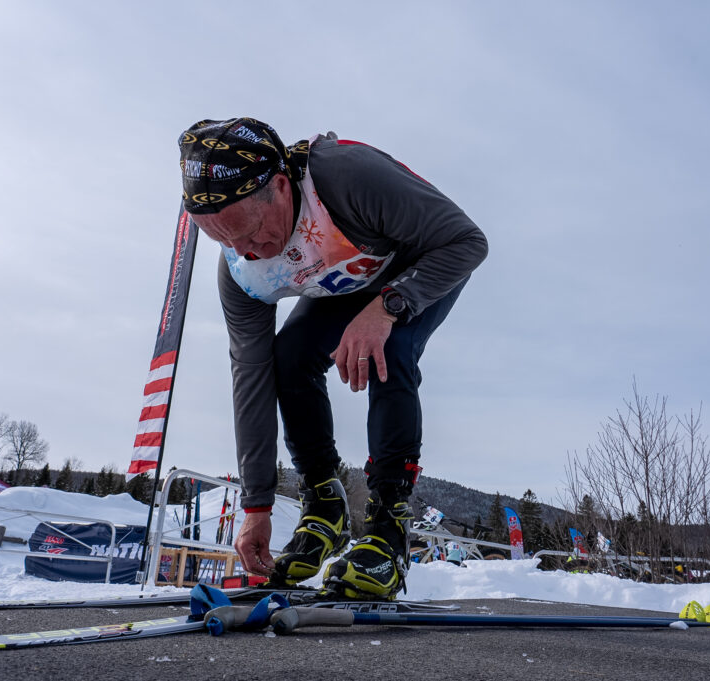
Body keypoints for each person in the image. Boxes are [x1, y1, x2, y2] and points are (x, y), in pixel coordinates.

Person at [178, 118, 487, 599]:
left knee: (390, 345)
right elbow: (251, 376)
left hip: (423, 259)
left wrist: (388, 306)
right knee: (289, 356)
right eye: (226, 242)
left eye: (254, 234)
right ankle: (323, 501)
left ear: (280, 187)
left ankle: (388, 530)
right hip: (349, 276)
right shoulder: (241, 270)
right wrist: (256, 503)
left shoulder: (348, 177)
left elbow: (468, 242)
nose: (248, 254)